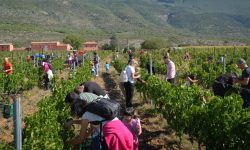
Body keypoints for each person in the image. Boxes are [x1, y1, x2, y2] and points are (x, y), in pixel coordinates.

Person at [66, 99, 134, 150]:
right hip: (122, 129)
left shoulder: (86, 115)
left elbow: (80, 138)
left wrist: (67, 143)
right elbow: (85, 122)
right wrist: (73, 122)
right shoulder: (92, 109)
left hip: (114, 135)